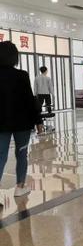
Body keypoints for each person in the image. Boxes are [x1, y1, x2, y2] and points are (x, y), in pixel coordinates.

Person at [0, 42, 43, 203]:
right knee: (21, 153)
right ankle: (20, 186)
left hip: (1, 123)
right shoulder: (22, 75)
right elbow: (29, 100)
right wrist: (38, 121)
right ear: (14, 57)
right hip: (22, 123)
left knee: (1, 155)